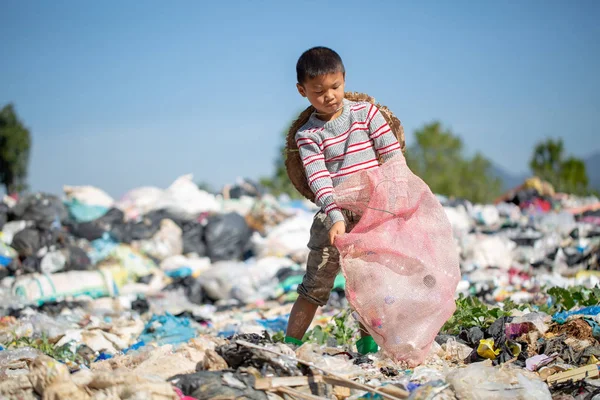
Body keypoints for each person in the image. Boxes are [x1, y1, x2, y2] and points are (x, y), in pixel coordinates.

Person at [285, 46, 402, 354]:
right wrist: (335, 216)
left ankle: (367, 349)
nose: (329, 96)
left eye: (335, 87)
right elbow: (319, 178)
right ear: (302, 91)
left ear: (344, 79)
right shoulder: (308, 135)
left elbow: (392, 156)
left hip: (371, 213)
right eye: (318, 91)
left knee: (369, 284)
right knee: (314, 286)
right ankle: (289, 346)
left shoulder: (366, 114)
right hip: (333, 215)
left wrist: (396, 198)